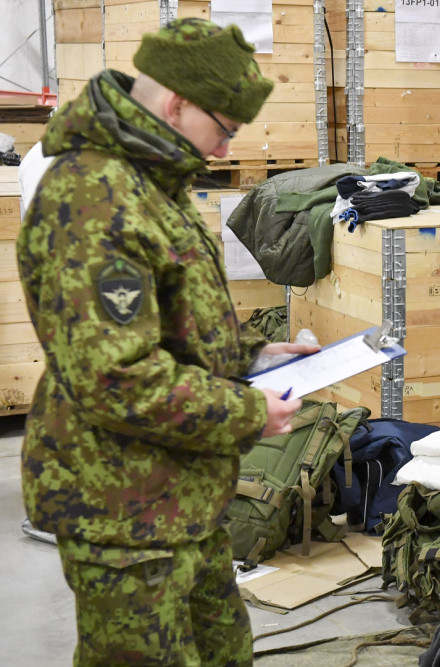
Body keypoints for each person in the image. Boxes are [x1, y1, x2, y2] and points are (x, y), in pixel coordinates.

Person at [16, 18, 319, 665]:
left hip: (184, 497)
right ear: (177, 103)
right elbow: (116, 375)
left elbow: (173, 329)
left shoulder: (152, 182)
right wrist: (246, 411)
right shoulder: (94, 195)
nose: (221, 149)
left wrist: (254, 358)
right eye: (224, 129)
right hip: (122, 514)